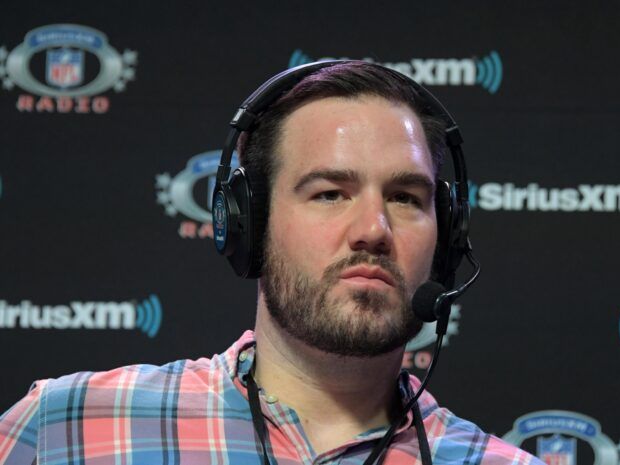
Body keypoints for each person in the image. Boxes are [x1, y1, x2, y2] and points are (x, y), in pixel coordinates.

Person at [0, 62, 542, 465]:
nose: (374, 230)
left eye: (405, 198)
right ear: (249, 225)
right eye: (330, 193)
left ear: (446, 235)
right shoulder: (64, 430)